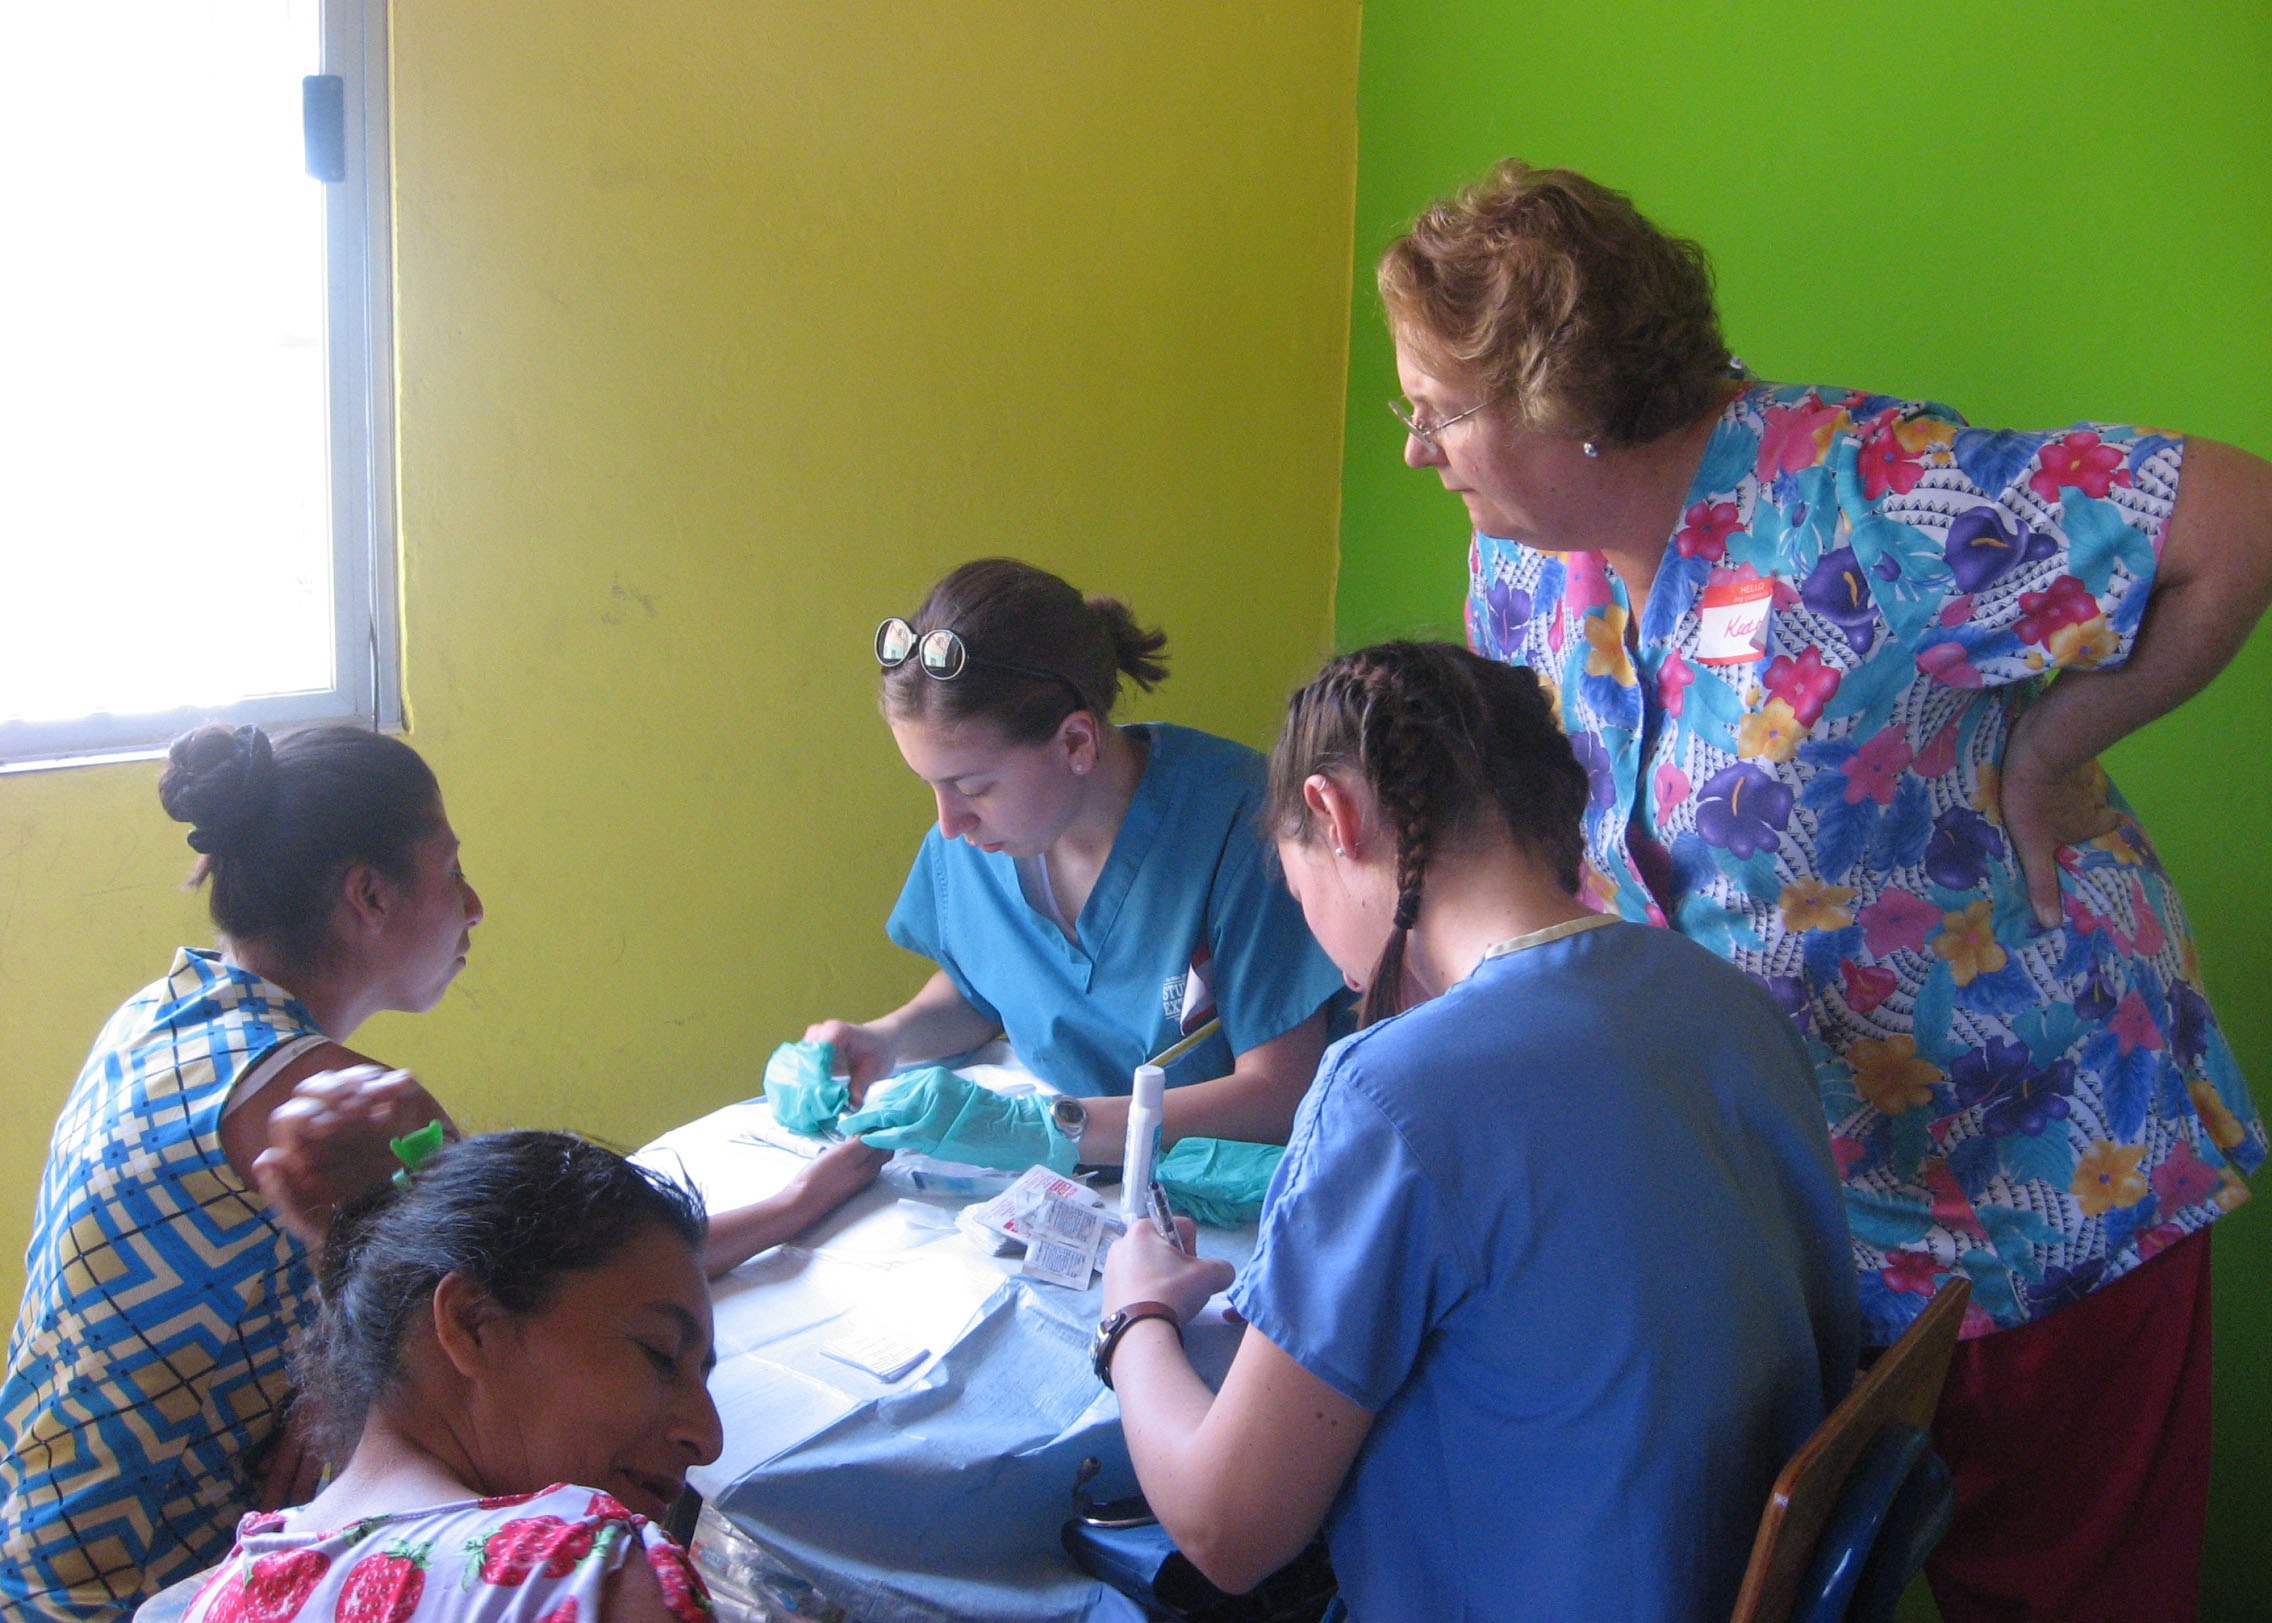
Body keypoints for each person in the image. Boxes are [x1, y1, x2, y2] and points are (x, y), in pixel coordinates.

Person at [1376, 160, 2272, 1620]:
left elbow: (2236, 519)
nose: (1417, 448)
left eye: (1442, 408)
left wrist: (2049, 754)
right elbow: (1552, 832)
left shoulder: (1865, 502)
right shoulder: (1523, 565)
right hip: (1804, 1188)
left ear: (1565, 400)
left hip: (2044, 1159)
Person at [1098, 641, 1858, 1622]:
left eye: (1301, 898)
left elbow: (1225, 1532)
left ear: (1335, 816)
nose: (1334, 969)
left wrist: (1134, 1319)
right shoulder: (1730, 1005)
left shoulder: (1390, 1093)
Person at [1, 724, 481, 1623]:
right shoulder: (329, 1098)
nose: (476, 904)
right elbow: (534, 1278)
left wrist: (335, 1378)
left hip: (26, 1550)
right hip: (118, 1601)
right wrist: (804, 1195)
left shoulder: (164, 1013)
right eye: (452, 870)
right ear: (368, 893)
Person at [805, 558, 1345, 1166]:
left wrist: (1050, 1128)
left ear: (1075, 743)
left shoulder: (1242, 827)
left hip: (1223, 1200)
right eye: (930, 785)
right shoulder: (977, 844)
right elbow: (987, 983)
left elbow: (1280, 1096)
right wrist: (888, 1037)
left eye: (973, 787)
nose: (948, 823)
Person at [179, 1130, 722, 1623]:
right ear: (472, 1322)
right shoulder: (579, 1574)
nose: (707, 1437)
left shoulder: (219, 1595)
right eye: (659, 1352)